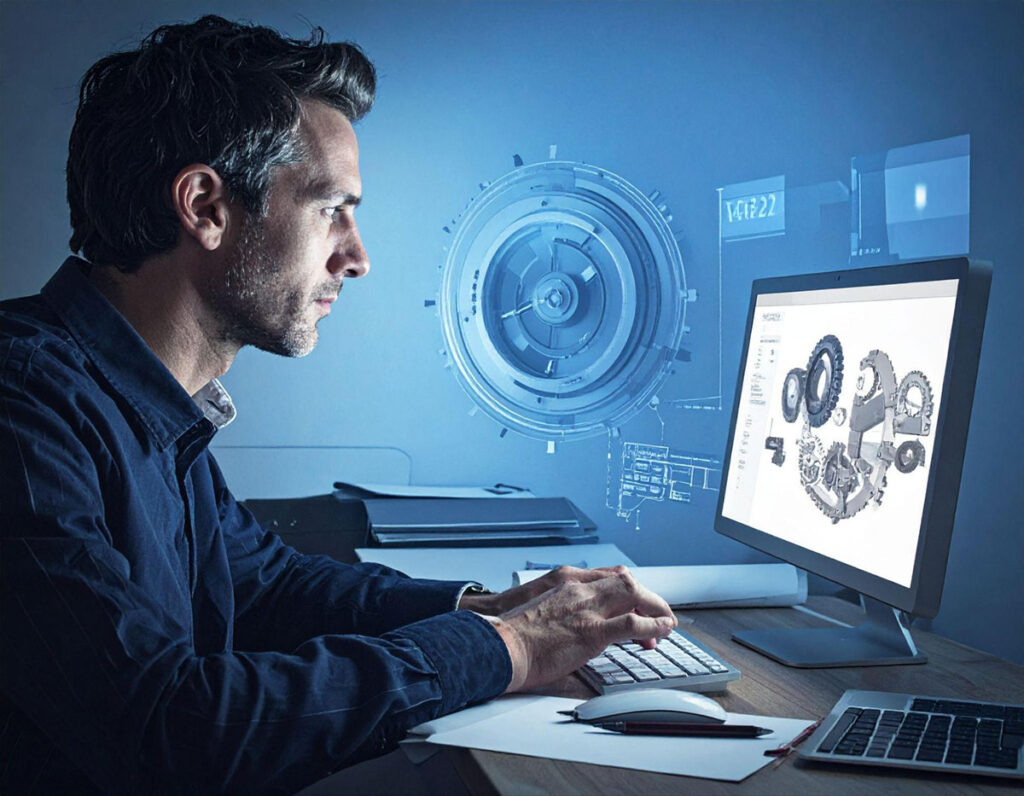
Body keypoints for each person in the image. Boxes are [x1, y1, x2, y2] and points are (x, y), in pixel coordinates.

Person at [0, 15, 676, 794]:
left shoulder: (142, 403)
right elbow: (167, 727)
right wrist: (503, 649)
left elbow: (266, 586)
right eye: (330, 209)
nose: (356, 257)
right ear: (205, 206)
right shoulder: (23, 409)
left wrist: (487, 607)